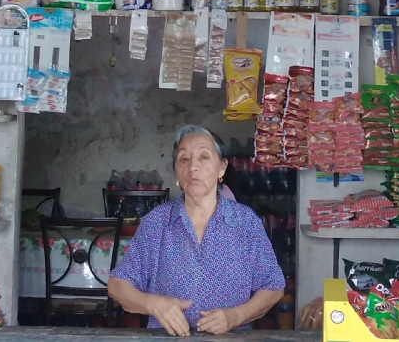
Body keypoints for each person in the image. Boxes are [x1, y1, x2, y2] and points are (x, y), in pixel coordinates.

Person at [108, 125, 285, 336]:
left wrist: (235, 316)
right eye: (184, 159)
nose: (193, 167)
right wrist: (153, 304)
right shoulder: (156, 223)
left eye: (203, 157)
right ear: (176, 172)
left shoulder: (244, 223)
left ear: (222, 168)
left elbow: (273, 286)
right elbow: (118, 285)